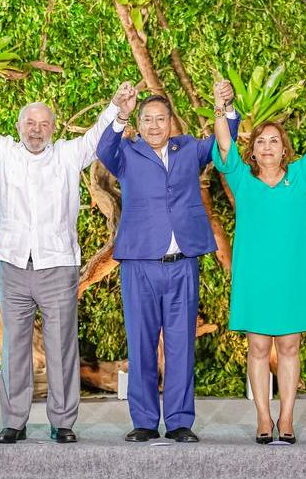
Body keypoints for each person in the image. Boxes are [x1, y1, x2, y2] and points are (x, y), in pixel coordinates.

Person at [0, 80, 135, 444]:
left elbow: (96, 137)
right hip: (12, 264)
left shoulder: (68, 155)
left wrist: (118, 109)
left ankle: (63, 422)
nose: (36, 130)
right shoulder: (2, 153)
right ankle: (13, 421)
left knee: (61, 347)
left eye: (43, 124)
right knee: (14, 349)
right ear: (19, 127)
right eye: (30, 123)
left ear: (53, 129)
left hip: (58, 266)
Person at [97, 82, 239, 443]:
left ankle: (178, 421)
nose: (155, 125)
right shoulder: (126, 153)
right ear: (139, 123)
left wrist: (225, 106)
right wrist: (121, 112)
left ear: (171, 122)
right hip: (139, 263)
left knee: (180, 345)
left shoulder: (189, 148)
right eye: (148, 119)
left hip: (182, 263)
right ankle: (144, 420)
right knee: (141, 343)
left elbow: (226, 140)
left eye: (161, 119)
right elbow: (103, 147)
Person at [212, 104, 306, 445]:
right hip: (254, 276)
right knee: (259, 345)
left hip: (291, 275)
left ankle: (288, 417)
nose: (267, 147)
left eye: (274, 141)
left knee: (291, 346)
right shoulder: (241, 179)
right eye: (261, 141)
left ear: (284, 148)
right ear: (252, 150)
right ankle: (264, 417)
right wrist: (220, 110)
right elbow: (223, 145)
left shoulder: (299, 176)